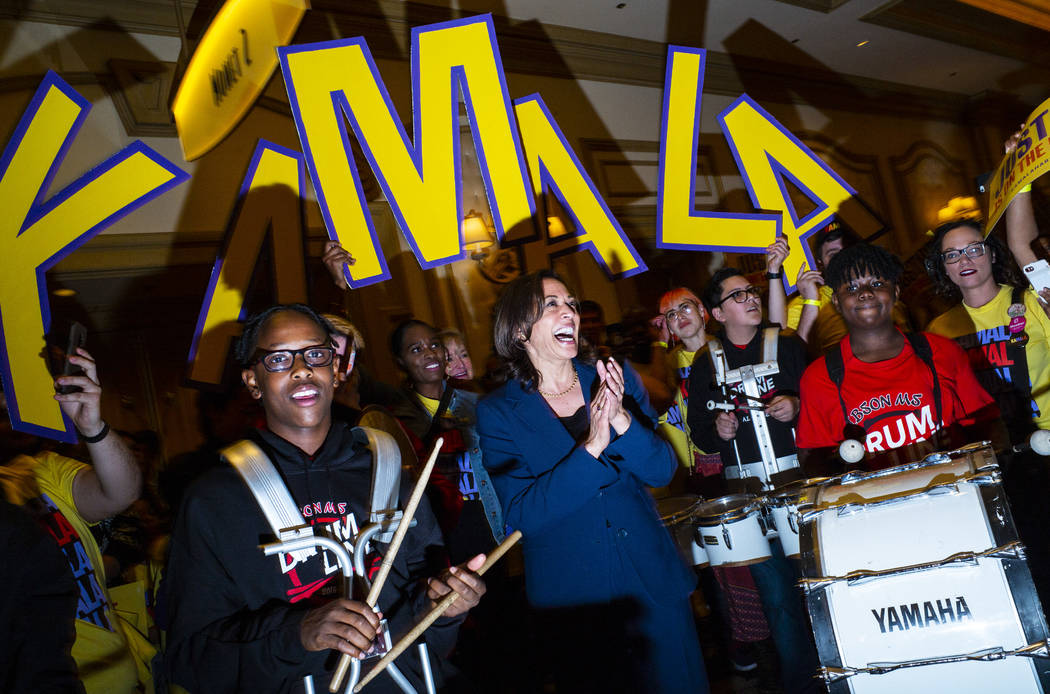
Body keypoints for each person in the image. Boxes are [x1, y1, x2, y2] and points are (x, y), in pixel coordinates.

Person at [163, 304, 487, 694]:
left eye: (315, 354)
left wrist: (443, 609)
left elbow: (424, 634)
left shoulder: (391, 472)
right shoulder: (215, 500)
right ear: (252, 381)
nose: (301, 369)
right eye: (279, 358)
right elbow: (191, 662)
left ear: (336, 370)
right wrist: (297, 634)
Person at [476, 270, 707, 693]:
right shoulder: (498, 412)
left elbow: (660, 469)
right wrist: (592, 447)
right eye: (551, 305)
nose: (568, 311)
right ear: (519, 329)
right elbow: (523, 514)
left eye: (571, 303)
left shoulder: (610, 375)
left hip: (651, 580)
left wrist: (620, 417)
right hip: (576, 599)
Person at [686, 265, 819, 694]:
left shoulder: (787, 345)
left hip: (798, 481)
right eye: (738, 295)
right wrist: (717, 432)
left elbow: (822, 399)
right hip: (744, 496)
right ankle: (800, 685)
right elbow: (699, 431)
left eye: (752, 291)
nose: (751, 298)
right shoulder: (705, 363)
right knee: (777, 599)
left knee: (821, 585)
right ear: (717, 313)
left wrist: (796, 405)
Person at [0, 351, 149, 694]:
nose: (8, 409)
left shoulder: (42, 467)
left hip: (123, 675)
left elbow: (121, 494)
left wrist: (93, 428)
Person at [797, 243, 998, 471]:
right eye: (851, 288)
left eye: (877, 283)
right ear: (836, 302)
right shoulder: (818, 377)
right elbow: (814, 463)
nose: (865, 293)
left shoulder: (941, 351)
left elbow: (985, 428)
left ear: (895, 293)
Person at [388, 319, 504, 565]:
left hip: (486, 517)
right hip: (435, 530)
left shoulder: (474, 401)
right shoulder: (396, 417)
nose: (430, 353)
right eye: (416, 349)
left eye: (435, 345)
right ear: (401, 361)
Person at [779, 223, 911, 352]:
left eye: (848, 250)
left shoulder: (883, 295)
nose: (843, 259)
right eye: (833, 254)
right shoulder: (800, 307)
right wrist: (811, 302)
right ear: (820, 263)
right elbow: (794, 359)